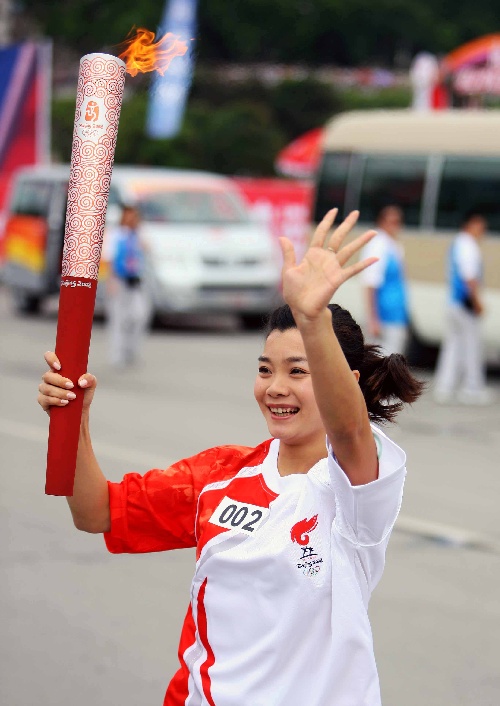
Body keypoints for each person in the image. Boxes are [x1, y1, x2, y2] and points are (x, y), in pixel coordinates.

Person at [38, 209, 424, 706]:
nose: (275, 388)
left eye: (298, 371)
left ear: (341, 383)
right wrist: (75, 421)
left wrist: (312, 318)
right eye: (265, 369)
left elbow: (349, 430)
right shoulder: (221, 474)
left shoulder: (354, 491)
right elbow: (96, 512)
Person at [434, 210, 493, 405]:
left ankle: (445, 386)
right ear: (471, 224)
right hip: (465, 304)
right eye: (480, 224)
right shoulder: (468, 245)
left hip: (454, 302)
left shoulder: (457, 242)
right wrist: (477, 303)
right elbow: (470, 278)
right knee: (471, 345)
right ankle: (472, 387)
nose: (483, 229)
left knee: (453, 346)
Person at [103, 204, 150, 367]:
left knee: (139, 315)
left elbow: (147, 254)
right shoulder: (116, 235)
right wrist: (111, 280)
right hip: (119, 280)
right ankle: (117, 355)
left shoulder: (139, 234)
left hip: (136, 281)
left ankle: (131, 351)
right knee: (118, 319)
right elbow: (109, 258)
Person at [360, 204, 410, 355]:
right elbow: (370, 283)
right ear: (381, 221)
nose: (395, 225)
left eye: (398, 221)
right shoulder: (377, 245)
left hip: (395, 312)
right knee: (383, 362)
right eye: (391, 221)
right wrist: (373, 318)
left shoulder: (393, 245)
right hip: (383, 314)